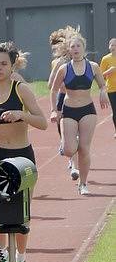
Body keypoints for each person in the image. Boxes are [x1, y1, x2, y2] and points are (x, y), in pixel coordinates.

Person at [0, 42, 47, 262]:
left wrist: (21, 115)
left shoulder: (21, 90)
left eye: (3, 63)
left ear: (12, 65)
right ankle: (1, 257)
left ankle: (21, 261)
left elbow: (42, 122)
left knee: (21, 212)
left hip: (21, 157)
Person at [50, 32, 110, 195]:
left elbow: (102, 84)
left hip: (87, 110)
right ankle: (68, 144)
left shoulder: (93, 66)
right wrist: (54, 110)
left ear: (84, 48)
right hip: (68, 110)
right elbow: (54, 89)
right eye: (72, 46)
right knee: (70, 150)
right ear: (69, 50)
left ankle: (83, 184)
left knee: (84, 148)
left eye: (78, 46)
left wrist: (103, 91)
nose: (75, 49)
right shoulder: (64, 68)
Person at [47, 28, 79, 178]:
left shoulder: (78, 58)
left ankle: (75, 164)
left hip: (78, 99)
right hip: (62, 99)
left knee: (77, 133)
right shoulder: (57, 62)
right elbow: (50, 85)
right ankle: (67, 149)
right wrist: (58, 68)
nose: (56, 49)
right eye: (54, 47)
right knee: (65, 134)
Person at [100, 37, 116, 137]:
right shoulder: (105, 59)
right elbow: (100, 75)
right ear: (109, 47)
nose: (114, 47)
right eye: (112, 45)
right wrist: (109, 71)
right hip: (111, 89)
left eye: (115, 45)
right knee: (115, 111)